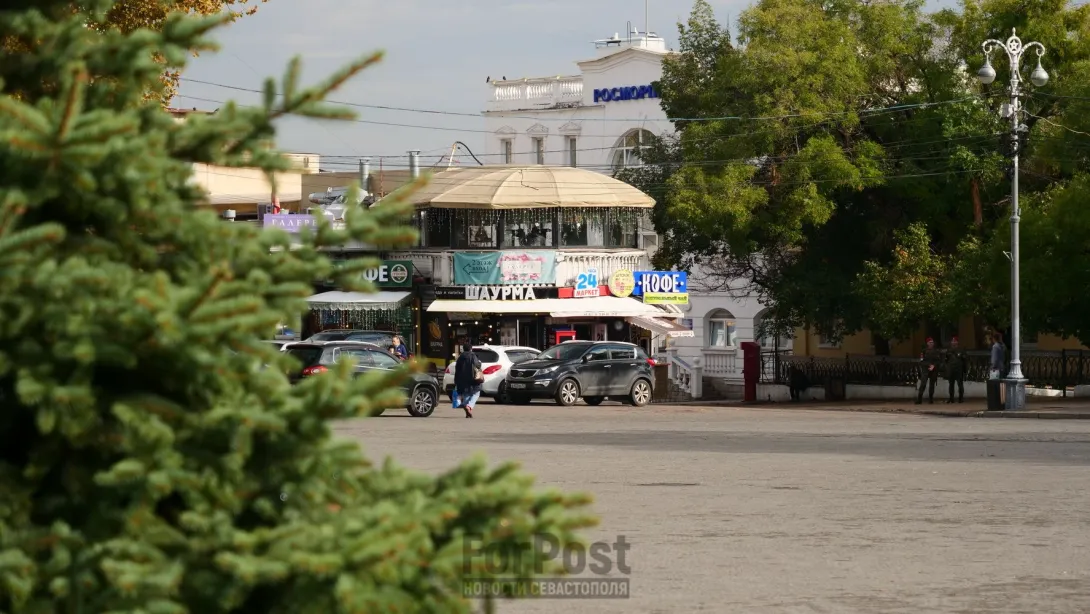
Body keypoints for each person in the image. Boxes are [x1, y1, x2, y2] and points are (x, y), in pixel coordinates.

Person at [453, 342, 483, 418]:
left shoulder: (460, 357)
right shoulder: (473, 356)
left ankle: (467, 411)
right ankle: (469, 407)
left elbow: (457, 370)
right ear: (470, 348)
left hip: (461, 380)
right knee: (477, 392)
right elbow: (477, 365)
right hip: (472, 379)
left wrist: (456, 381)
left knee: (465, 395)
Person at [916, 337, 941, 405]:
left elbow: (938, 361)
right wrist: (929, 365)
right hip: (925, 370)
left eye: (932, 342)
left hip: (933, 369)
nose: (931, 344)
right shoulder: (923, 351)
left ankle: (931, 399)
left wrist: (933, 366)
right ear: (927, 343)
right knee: (923, 384)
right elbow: (921, 361)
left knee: (932, 384)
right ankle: (919, 398)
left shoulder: (936, 351)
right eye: (930, 342)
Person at [944, 336, 968, 404]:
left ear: (957, 342)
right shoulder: (948, 350)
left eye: (955, 341)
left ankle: (961, 398)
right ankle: (951, 399)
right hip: (951, 370)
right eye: (952, 341)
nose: (953, 342)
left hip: (959, 370)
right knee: (951, 385)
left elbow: (965, 360)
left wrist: (965, 370)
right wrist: (947, 368)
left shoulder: (961, 350)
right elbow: (946, 360)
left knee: (960, 385)